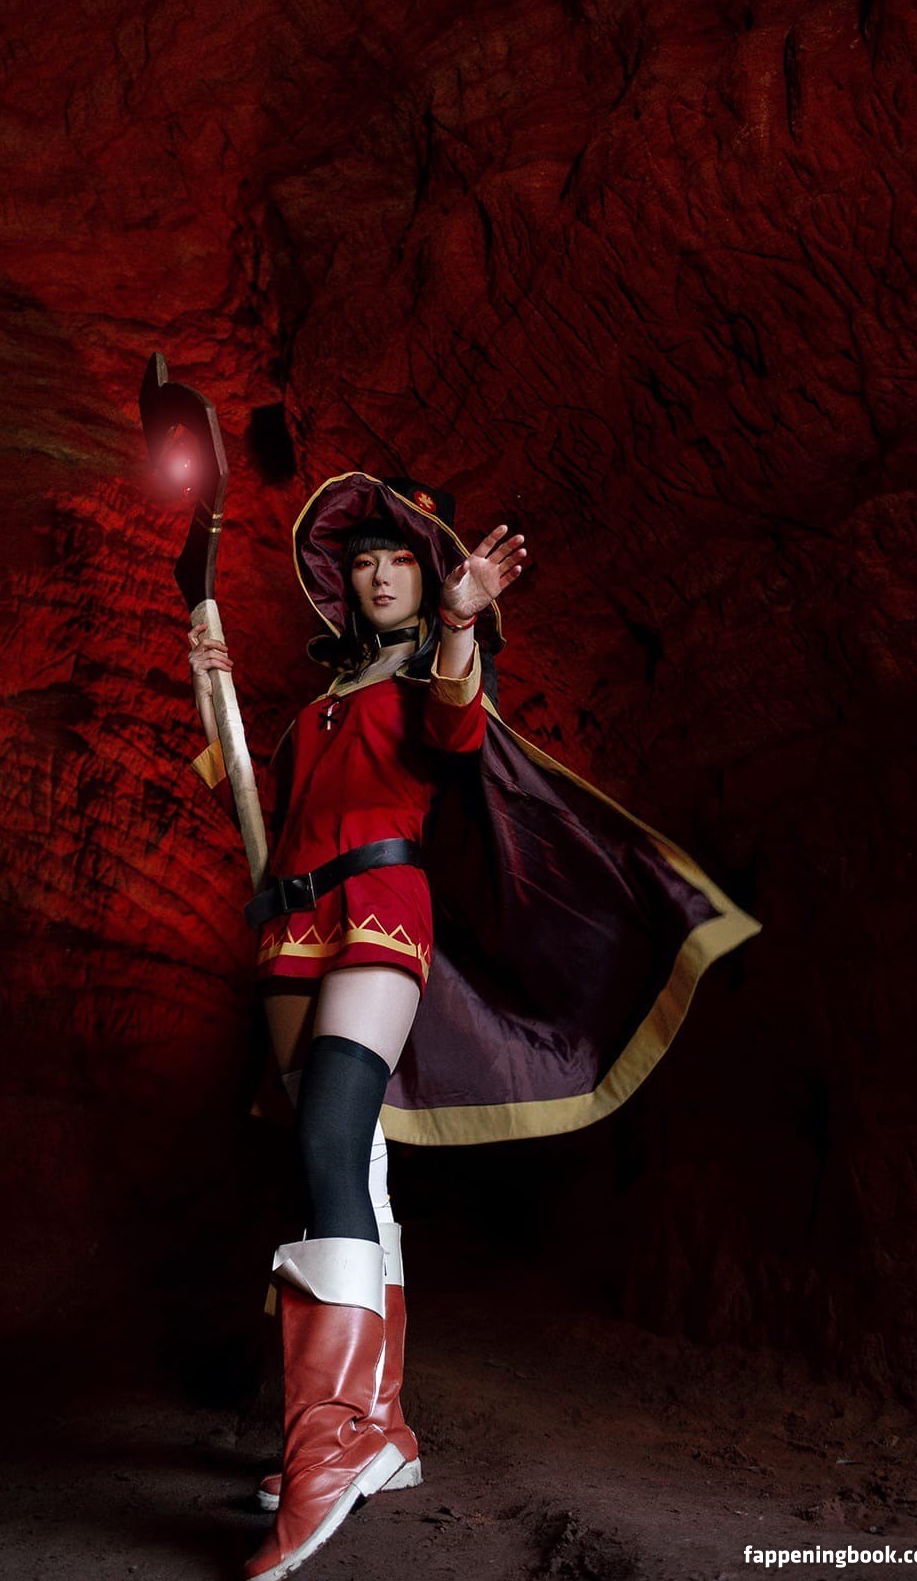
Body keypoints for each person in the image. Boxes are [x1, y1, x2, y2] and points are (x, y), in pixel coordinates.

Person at [186, 472, 761, 1581]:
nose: (378, 574)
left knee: (329, 1142)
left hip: (381, 913)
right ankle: (383, 1428)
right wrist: (210, 699)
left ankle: (324, 1452)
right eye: (363, 561)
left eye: (397, 559)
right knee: (345, 1166)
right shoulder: (322, 701)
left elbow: (455, 737)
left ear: (427, 576)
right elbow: (266, 816)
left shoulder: (432, 676)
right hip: (290, 933)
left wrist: (459, 624)